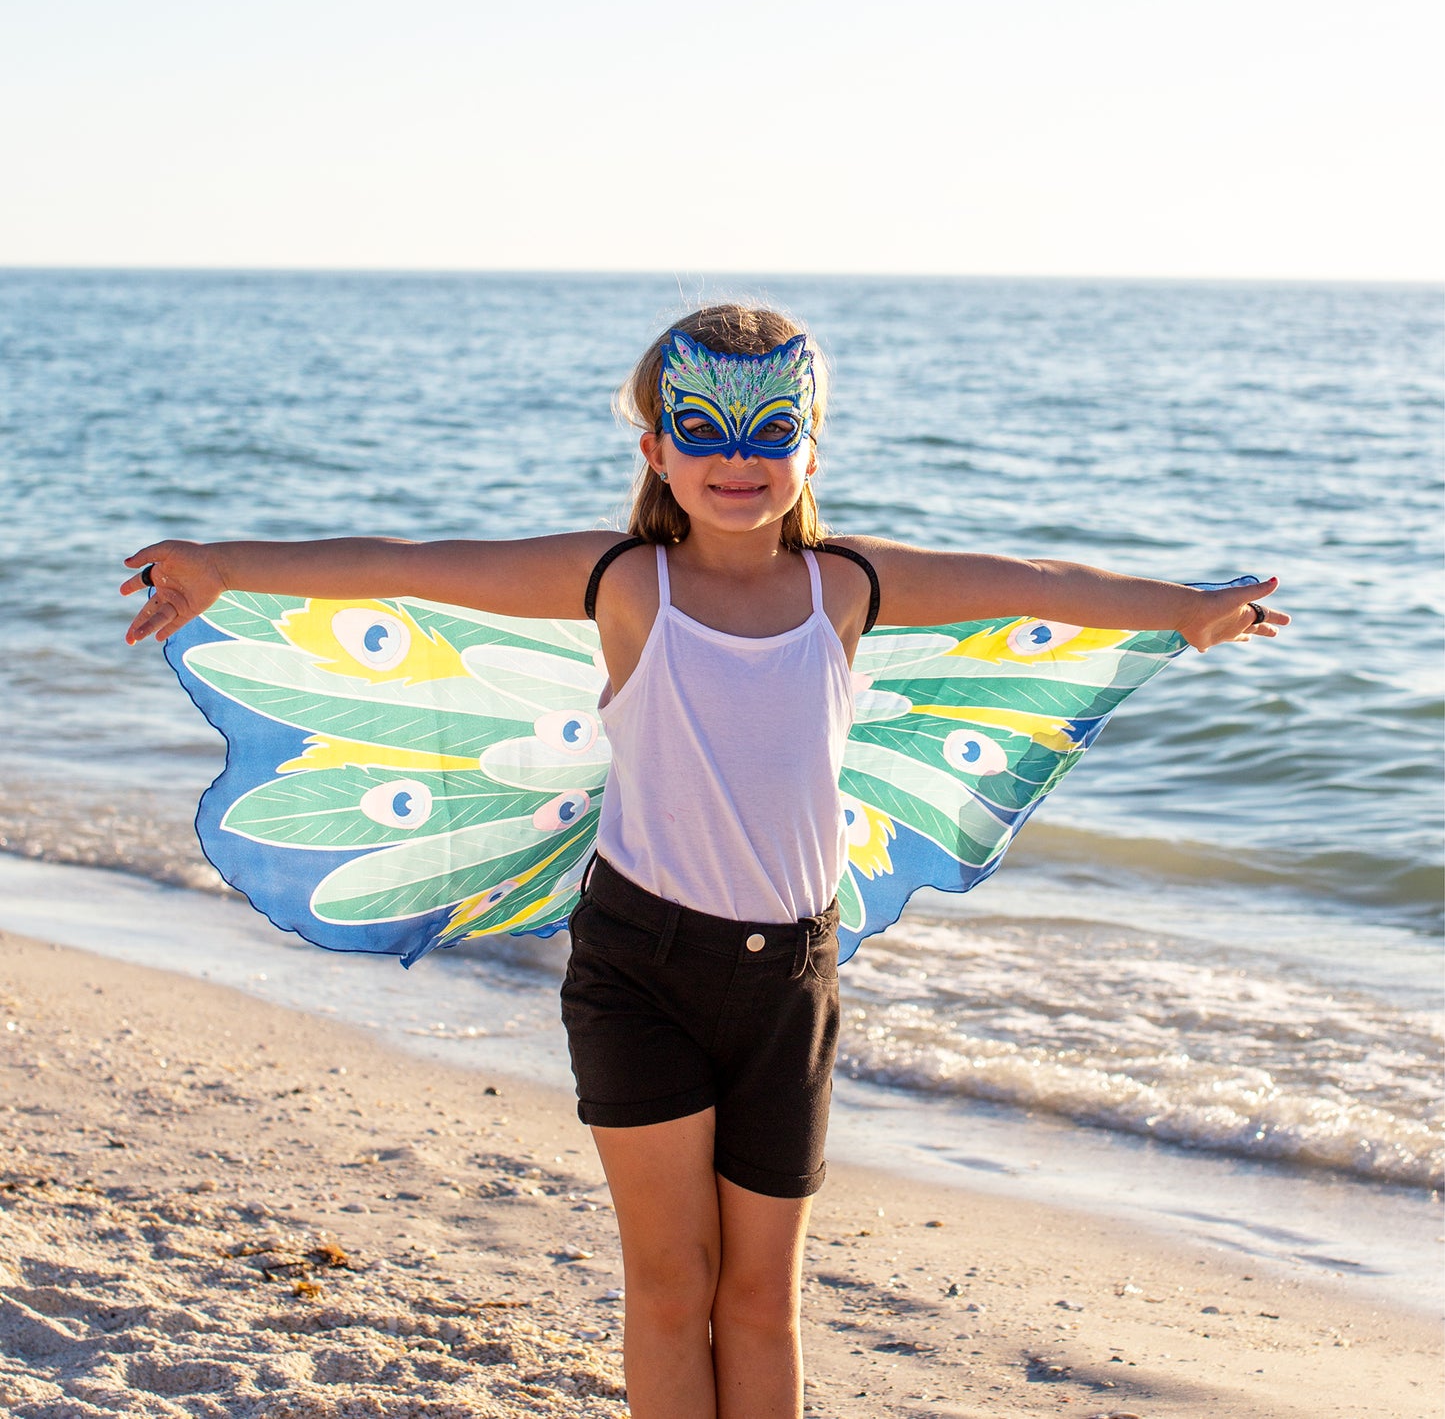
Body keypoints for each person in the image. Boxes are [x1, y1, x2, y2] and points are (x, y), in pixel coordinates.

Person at [123, 302, 1287, 1419]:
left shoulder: (848, 586)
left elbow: (1029, 586)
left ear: (810, 448)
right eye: (703, 431)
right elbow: (420, 562)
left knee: (762, 1300)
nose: (739, 460)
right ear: (657, 448)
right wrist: (221, 563)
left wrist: (1179, 610)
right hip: (638, 969)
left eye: (771, 432)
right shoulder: (627, 580)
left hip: (788, 980)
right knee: (673, 1280)